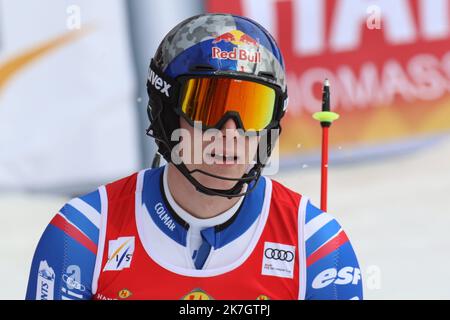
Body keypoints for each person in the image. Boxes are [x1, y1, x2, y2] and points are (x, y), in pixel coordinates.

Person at [26, 13, 363, 300]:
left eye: (253, 110)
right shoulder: (83, 235)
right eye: (208, 107)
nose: (231, 133)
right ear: (168, 115)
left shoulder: (316, 246)